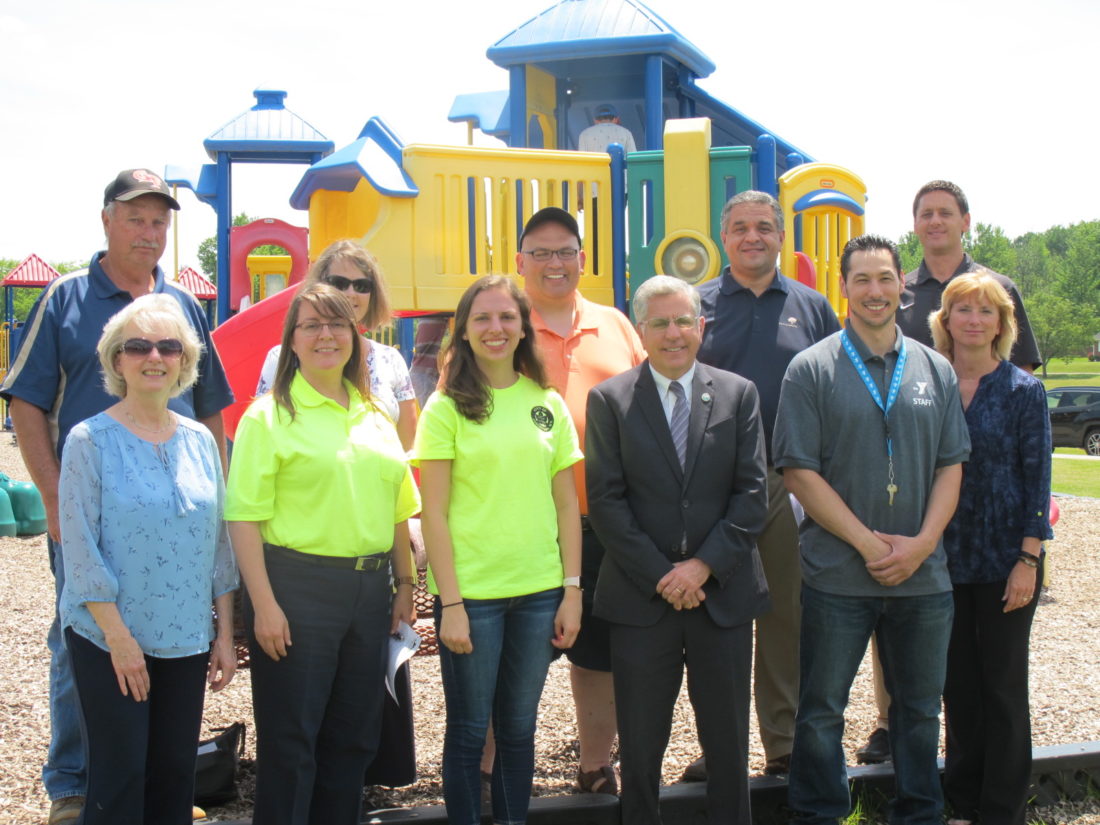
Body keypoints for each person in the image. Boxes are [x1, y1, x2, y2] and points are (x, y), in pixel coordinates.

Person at [0, 168, 233, 825]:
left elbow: (210, 405)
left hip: (174, 512)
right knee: (86, 643)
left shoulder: (183, 306)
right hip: (94, 508)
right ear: (107, 220)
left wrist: (215, 500)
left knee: (164, 645)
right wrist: (54, 500)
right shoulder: (67, 298)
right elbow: (26, 402)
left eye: (159, 221)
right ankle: (76, 782)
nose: (148, 232)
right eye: (135, 218)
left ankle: (155, 783)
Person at [773, 235, 970, 825]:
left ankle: (921, 812)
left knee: (919, 710)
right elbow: (798, 471)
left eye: (885, 278)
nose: (875, 290)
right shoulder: (811, 368)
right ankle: (818, 812)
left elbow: (951, 466)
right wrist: (867, 543)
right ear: (844, 288)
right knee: (821, 711)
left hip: (922, 577)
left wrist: (923, 545)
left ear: (902, 284)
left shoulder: (934, 368)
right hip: (837, 575)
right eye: (862, 279)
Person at [858, 179, 1043, 766]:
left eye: (946, 212)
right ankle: (898, 732)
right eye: (926, 213)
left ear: (966, 220)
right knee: (934, 660)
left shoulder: (997, 293)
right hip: (923, 511)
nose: (935, 222)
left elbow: (1026, 405)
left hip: (998, 527)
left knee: (997, 679)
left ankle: (999, 795)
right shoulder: (900, 292)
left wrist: (1030, 545)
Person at [225, 283, 420, 825]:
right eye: (311, 325)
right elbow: (243, 518)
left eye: (337, 324)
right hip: (296, 589)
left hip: (369, 590)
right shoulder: (268, 417)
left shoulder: (375, 414)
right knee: (292, 740)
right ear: (291, 341)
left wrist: (405, 584)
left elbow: (398, 510)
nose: (326, 335)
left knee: (354, 737)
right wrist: (263, 606)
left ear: (355, 336)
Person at [585, 275, 769, 824]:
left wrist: (702, 567)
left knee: (729, 741)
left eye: (684, 321)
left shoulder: (738, 394)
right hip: (642, 599)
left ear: (701, 326)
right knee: (641, 743)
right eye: (660, 322)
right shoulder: (610, 400)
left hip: (722, 595)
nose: (673, 333)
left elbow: (752, 495)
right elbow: (606, 501)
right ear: (640, 331)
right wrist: (663, 575)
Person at [58, 294, 238, 824]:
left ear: (185, 361)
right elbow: (80, 551)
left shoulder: (202, 440)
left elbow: (219, 544)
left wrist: (224, 634)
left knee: (174, 776)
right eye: (138, 346)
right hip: (109, 639)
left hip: (186, 637)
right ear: (117, 360)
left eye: (169, 347)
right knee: (119, 780)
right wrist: (120, 642)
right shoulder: (89, 441)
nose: (154, 356)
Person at [414, 274, 583, 825]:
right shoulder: (444, 408)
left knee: (518, 728)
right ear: (462, 331)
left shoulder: (546, 403)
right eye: (482, 318)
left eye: (507, 316)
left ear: (523, 327)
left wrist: (572, 591)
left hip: (539, 592)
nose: (496, 328)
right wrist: (451, 604)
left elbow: (566, 506)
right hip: (473, 597)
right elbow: (433, 513)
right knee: (468, 731)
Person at [690, 190, 840, 779]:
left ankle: (784, 745)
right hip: (712, 483)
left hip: (788, 479)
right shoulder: (696, 305)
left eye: (763, 227)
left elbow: (834, 389)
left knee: (784, 616)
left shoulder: (813, 307)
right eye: (740, 227)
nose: (752, 236)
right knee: (717, 619)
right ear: (723, 237)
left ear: (780, 236)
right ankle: (721, 749)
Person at [517, 206, 645, 795]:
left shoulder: (615, 324)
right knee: (513, 654)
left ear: (583, 259)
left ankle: (595, 765)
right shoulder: (501, 323)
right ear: (520, 262)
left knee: (599, 653)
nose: (554, 263)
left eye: (565, 251)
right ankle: (491, 770)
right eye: (540, 252)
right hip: (524, 525)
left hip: (605, 521)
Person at [928, 272, 1053, 825]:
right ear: (946, 319)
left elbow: (1038, 479)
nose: (975, 320)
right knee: (957, 686)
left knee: (1002, 687)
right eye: (964, 309)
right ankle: (963, 801)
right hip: (944, 559)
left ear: (1002, 324)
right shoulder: (930, 386)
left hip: (1008, 560)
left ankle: (1002, 810)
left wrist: (1028, 559)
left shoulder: (1023, 391)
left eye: (987, 312)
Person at [256, 239, 417, 450]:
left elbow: (407, 448)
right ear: (318, 286)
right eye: (339, 283)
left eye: (361, 286)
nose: (351, 293)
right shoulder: (283, 358)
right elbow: (264, 435)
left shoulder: (390, 360)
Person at [576, 104, 637, 269]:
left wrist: (579, 195)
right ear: (616, 119)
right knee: (616, 228)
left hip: (593, 190)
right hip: (619, 190)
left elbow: (581, 166)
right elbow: (633, 162)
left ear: (595, 120)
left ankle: (597, 267)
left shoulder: (585, 134)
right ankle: (616, 265)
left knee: (595, 230)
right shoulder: (625, 133)